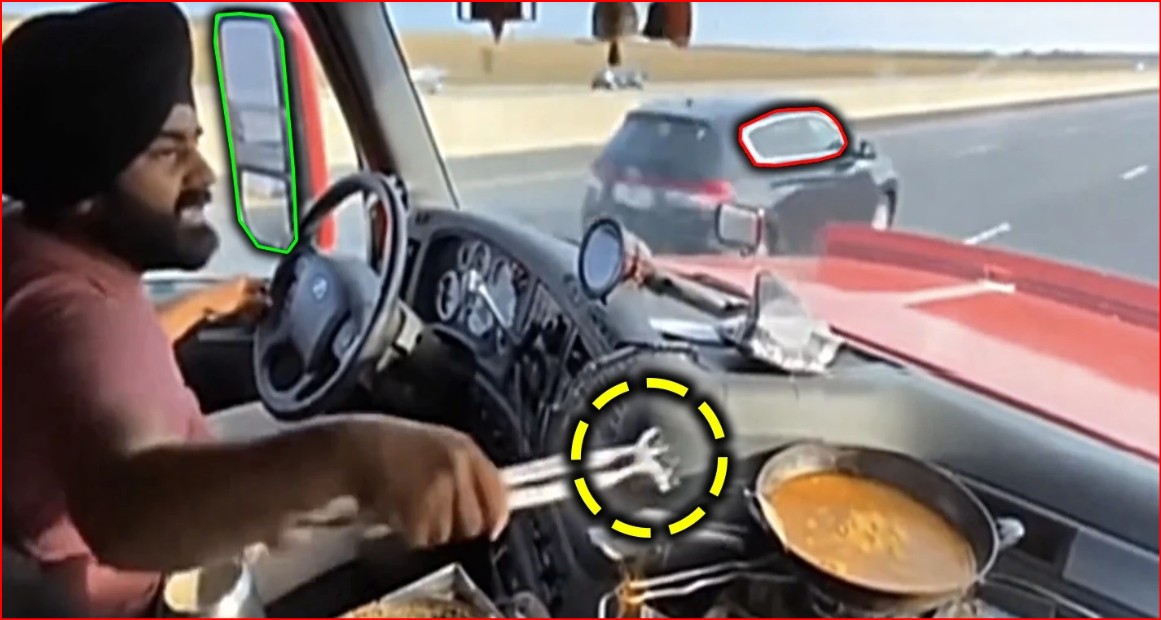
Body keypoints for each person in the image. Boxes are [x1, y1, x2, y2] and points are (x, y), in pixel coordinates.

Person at [2, 3, 509, 616]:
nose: (205, 175)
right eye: (168, 154)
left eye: (194, 144)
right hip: (146, 581)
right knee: (405, 531)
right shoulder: (72, 319)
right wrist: (356, 457)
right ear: (83, 189)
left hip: (168, 481)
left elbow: (92, 377)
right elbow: (122, 512)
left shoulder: (38, 250)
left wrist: (205, 305)